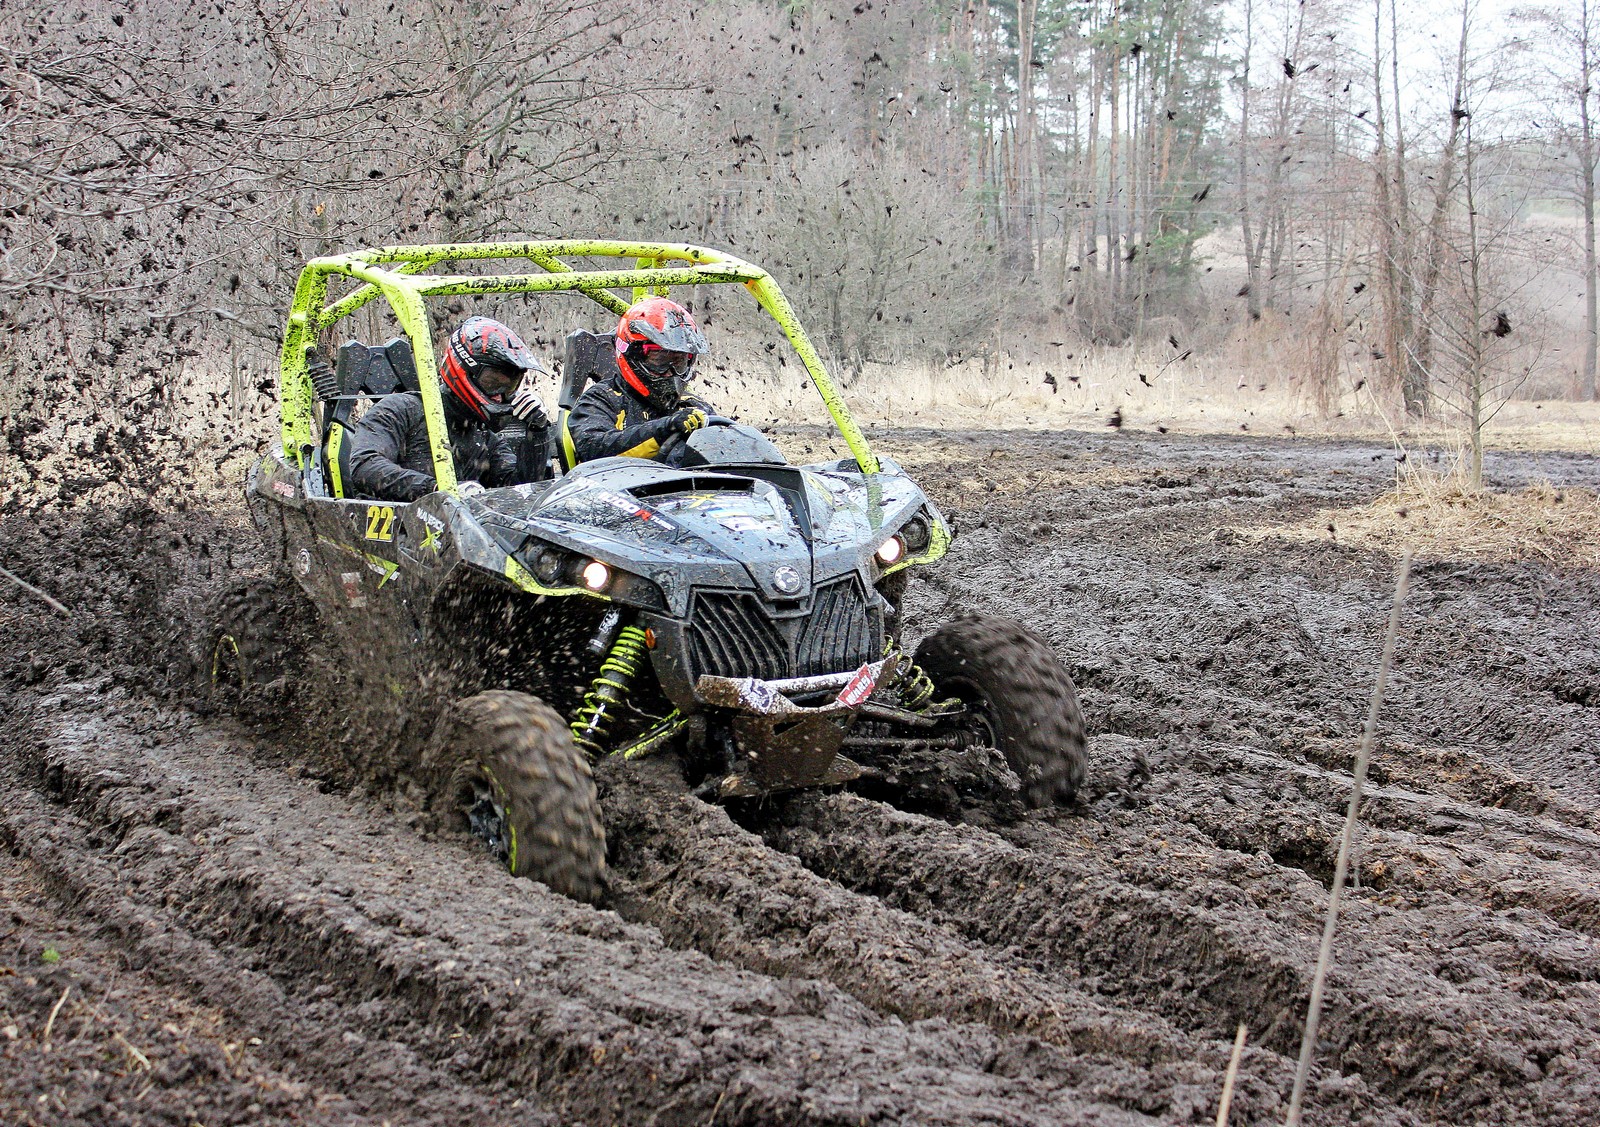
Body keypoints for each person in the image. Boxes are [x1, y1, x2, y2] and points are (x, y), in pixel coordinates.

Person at [348, 316, 552, 502]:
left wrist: (537, 433)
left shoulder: (483, 435)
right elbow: (365, 467)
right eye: (493, 383)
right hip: (395, 532)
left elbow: (520, 492)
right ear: (465, 371)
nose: (500, 395)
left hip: (455, 536)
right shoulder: (400, 409)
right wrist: (439, 490)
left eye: (509, 387)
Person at [566, 296, 718, 464]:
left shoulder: (692, 405)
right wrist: (665, 428)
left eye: (679, 362)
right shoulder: (601, 399)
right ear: (632, 354)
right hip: (625, 486)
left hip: (690, 486)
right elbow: (593, 450)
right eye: (660, 361)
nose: (670, 373)